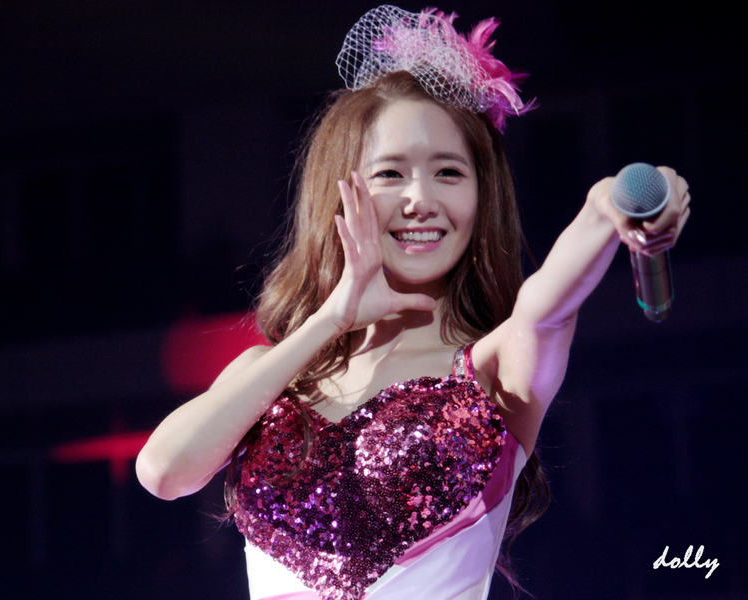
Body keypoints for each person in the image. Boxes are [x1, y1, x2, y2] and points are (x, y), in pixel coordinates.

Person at [136, 6, 690, 600]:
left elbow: (545, 308)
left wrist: (607, 205)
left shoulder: (492, 370)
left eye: (448, 172)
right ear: (340, 193)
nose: (420, 199)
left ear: (482, 198)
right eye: (390, 174)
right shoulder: (269, 378)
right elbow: (164, 472)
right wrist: (330, 319)